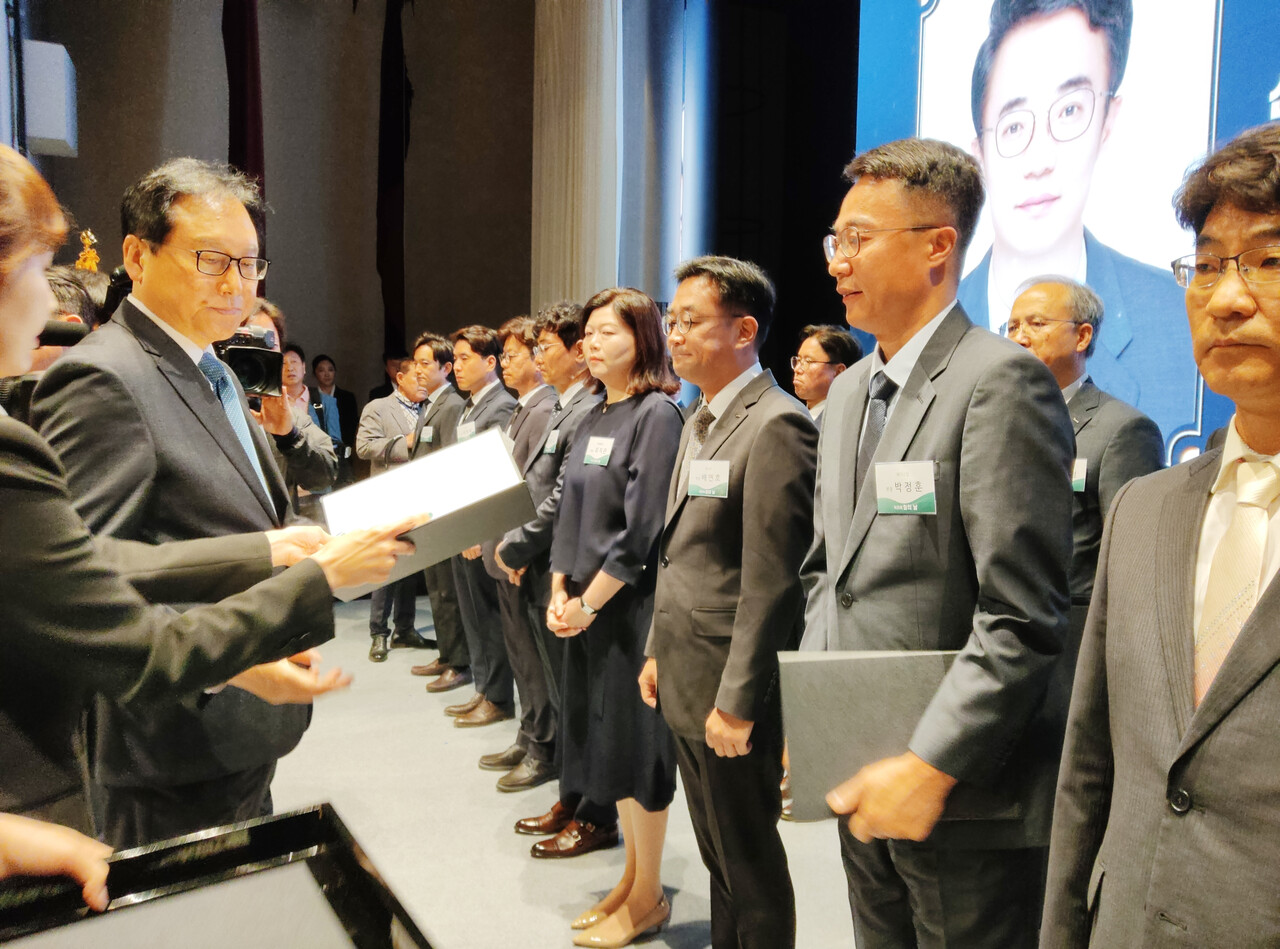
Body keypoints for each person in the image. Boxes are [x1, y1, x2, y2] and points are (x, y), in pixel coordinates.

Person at [0, 143, 412, 903]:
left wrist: (273, 545)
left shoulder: (214, 365)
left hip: (233, 718)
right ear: (137, 253)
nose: (237, 284)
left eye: (251, 264)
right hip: (166, 738)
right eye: (212, 259)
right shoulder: (105, 374)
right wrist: (300, 584)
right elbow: (85, 574)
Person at [805, 137, 1074, 948]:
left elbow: (1020, 616)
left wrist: (930, 763)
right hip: (862, 766)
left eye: (858, 238)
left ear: (936, 246)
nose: (837, 261)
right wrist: (814, 717)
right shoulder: (851, 389)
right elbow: (829, 572)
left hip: (960, 788)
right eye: (834, 240)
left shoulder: (999, 380)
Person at [1041, 122, 1280, 947]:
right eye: (1208, 264)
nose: (1227, 297)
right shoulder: (1143, 510)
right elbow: (1090, 773)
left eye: (1269, 261)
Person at [641, 256, 816, 949]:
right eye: (670, 320)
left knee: (749, 858)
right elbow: (680, 551)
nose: (673, 334)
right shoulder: (699, 418)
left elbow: (772, 582)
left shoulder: (777, 424)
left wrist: (738, 699)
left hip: (729, 687)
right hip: (686, 670)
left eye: (690, 321)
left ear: (744, 329)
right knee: (716, 853)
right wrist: (657, 649)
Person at [958, 0, 1196, 445]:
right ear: (979, 153)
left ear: (1107, 122)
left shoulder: (1180, 318)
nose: (1040, 160)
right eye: (1012, 126)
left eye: (1069, 111)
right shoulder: (942, 325)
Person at [544, 287, 682, 948]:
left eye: (608, 333)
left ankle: (649, 894)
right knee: (607, 747)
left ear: (644, 338)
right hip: (587, 607)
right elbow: (569, 512)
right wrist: (557, 587)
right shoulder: (595, 413)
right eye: (588, 335)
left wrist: (587, 602)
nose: (592, 344)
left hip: (629, 613)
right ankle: (630, 877)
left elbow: (641, 530)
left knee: (638, 752)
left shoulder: (657, 415)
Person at [1008, 277, 1162, 623]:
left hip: (1073, 643)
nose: (1019, 337)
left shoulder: (1123, 430)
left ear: (1082, 336)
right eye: (1012, 326)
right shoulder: (996, 422)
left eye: (1037, 324)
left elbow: (1131, 560)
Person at [494, 302, 602, 794]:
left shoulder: (586, 408)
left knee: (562, 679)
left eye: (544, 346)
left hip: (556, 560)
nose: (537, 355)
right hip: (535, 553)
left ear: (578, 352)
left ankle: (562, 766)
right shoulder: (563, 404)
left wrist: (519, 546)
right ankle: (544, 744)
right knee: (536, 666)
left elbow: (562, 495)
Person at [475, 315, 556, 787]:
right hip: (506, 549)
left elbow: (537, 490)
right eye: (502, 356)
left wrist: (517, 549)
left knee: (532, 658)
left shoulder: (544, 408)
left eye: (516, 354)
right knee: (521, 655)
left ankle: (543, 746)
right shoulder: (527, 407)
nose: (506, 364)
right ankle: (530, 735)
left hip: (521, 555)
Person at [439, 325, 517, 727]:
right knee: (472, 614)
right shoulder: (469, 406)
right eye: (456, 359)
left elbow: (494, 475)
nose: (457, 367)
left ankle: (499, 696)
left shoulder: (500, 405)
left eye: (466, 358)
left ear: (491, 362)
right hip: (462, 525)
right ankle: (483, 689)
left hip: (480, 530)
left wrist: (476, 529)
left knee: (488, 618)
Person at [357, 355, 432, 661]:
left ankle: (406, 629)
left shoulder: (430, 408)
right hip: (387, 496)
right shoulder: (378, 407)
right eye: (418, 377)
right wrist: (406, 442)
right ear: (400, 378)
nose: (423, 383)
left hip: (421, 496)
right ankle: (378, 633)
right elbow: (364, 446)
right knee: (386, 566)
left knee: (412, 563)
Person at [407, 332, 472, 691]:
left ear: (445, 368)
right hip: (425, 512)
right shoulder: (429, 403)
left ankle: (460, 662)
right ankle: (447, 653)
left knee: (448, 590)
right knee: (435, 589)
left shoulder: (450, 405)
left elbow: (451, 461)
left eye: (424, 363)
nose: (416, 370)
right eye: (415, 362)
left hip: (442, 514)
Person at [242, 302, 339, 517]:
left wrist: (289, 437)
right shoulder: (201, 405)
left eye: (269, 344)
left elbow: (325, 474)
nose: (258, 355)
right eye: (246, 342)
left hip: (280, 536)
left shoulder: (289, 416)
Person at [791, 323, 860, 422]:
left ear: (839, 372)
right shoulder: (792, 416)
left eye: (808, 361)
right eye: (798, 360)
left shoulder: (844, 422)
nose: (797, 369)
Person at [311, 352, 358, 481]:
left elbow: (352, 426)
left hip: (343, 453)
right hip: (317, 454)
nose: (327, 374)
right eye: (321, 370)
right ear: (314, 373)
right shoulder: (310, 397)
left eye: (330, 370)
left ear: (335, 372)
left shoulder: (347, 397)